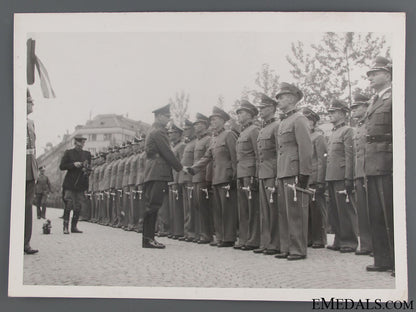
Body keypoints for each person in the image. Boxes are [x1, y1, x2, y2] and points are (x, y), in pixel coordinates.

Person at [189, 106, 238, 247]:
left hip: (227, 177)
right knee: (218, 209)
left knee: (227, 209)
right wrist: (193, 169)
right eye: (211, 120)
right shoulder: (214, 139)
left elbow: (235, 157)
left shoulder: (229, 135)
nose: (212, 122)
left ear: (223, 120)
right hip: (216, 177)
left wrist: (234, 177)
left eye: (215, 119)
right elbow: (206, 157)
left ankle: (229, 238)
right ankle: (221, 237)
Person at [274, 83, 313, 261]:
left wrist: (304, 173)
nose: (279, 100)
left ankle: (298, 249)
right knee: (284, 211)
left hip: (294, 171)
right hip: (283, 170)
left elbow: (306, 148)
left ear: (291, 98)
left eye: (281, 97)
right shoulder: (283, 121)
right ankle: (286, 247)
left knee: (296, 212)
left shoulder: (299, 119)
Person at [364, 56, 394, 274]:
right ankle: (382, 259)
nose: (371, 77)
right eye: (370, 74)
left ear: (388, 74)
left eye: (375, 73)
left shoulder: (395, 98)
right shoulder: (373, 101)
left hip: (387, 158)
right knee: (375, 213)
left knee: (390, 213)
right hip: (372, 160)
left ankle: (398, 261)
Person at [142, 104, 183, 249]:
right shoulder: (159, 131)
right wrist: (180, 168)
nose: (168, 120)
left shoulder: (152, 130)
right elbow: (167, 152)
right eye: (166, 117)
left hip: (152, 171)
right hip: (158, 171)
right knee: (154, 205)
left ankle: (148, 238)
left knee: (151, 205)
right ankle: (148, 239)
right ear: (159, 116)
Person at [325, 99, 358, 253]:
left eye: (334, 112)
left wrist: (349, 178)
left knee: (345, 210)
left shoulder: (348, 131)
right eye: (330, 112)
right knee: (334, 210)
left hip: (341, 175)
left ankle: (349, 242)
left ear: (343, 113)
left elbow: (350, 156)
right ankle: (339, 239)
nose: (330, 115)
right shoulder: (333, 133)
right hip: (331, 175)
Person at [254, 93, 280, 255]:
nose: (261, 111)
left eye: (263, 108)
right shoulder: (263, 128)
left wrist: (277, 175)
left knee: (273, 209)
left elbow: (279, 152)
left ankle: (275, 243)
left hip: (272, 172)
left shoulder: (276, 126)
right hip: (263, 173)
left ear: (271, 108)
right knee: (264, 210)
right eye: (260, 108)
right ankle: (265, 242)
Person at [235, 101, 260, 250]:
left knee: (253, 208)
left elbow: (258, 154)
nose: (239, 115)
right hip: (241, 172)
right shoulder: (243, 132)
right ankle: (244, 238)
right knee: (243, 208)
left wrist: (256, 175)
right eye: (238, 113)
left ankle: (254, 239)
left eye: (242, 112)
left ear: (250, 115)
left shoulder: (254, 130)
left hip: (250, 173)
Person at [351, 93, 373, 256]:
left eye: (357, 107)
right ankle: (366, 244)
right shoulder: (358, 128)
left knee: (373, 209)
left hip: (370, 170)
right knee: (363, 211)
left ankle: (376, 245)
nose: (354, 110)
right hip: (359, 172)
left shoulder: (370, 124)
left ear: (366, 107)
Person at [302, 107, 328, 249]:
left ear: (313, 123)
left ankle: (320, 238)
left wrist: (320, 180)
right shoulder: (305, 137)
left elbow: (321, 160)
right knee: (308, 210)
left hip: (315, 178)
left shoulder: (318, 137)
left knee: (318, 209)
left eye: (308, 121)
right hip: (306, 178)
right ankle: (310, 238)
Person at [59, 134, 92, 234]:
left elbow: (89, 168)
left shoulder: (87, 154)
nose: (82, 144)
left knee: (78, 206)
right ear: (76, 142)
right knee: (68, 204)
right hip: (70, 183)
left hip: (81, 183)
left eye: (83, 142)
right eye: (81, 141)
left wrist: (87, 170)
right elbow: (62, 166)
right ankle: (65, 227)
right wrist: (73, 165)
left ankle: (74, 227)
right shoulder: (69, 153)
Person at [192, 113, 213, 244]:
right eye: (195, 124)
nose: (196, 126)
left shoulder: (208, 139)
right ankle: (201, 232)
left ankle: (207, 234)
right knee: (198, 205)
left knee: (205, 206)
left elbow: (209, 159)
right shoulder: (198, 141)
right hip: (196, 177)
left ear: (205, 125)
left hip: (204, 177)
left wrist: (208, 177)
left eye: (198, 124)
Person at [25, 89, 39, 254]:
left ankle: (25, 242)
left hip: (30, 170)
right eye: (30, 101)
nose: (32, 104)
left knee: (27, 207)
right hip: (19, 168)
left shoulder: (30, 123)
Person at [167, 124, 185, 239]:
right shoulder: (173, 147)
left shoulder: (182, 146)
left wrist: (179, 179)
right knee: (173, 207)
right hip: (172, 179)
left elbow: (182, 165)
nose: (170, 135)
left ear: (178, 134)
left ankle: (180, 231)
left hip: (178, 179)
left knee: (178, 206)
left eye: (172, 133)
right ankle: (174, 230)